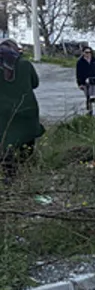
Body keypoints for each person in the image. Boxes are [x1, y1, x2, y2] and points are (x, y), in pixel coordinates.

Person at [0, 38, 43, 183]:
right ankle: (26, 171)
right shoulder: (25, 64)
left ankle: (9, 176)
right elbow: (35, 83)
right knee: (27, 140)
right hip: (27, 110)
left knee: (6, 143)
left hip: (4, 113)